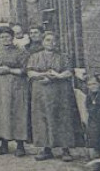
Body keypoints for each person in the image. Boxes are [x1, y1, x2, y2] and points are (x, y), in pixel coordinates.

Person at [27, 30, 81, 160]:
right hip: (41, 91)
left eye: (54, 40)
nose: (51, 43)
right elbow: (30, 72)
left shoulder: (63, 56)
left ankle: (65, 149)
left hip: (60, 91)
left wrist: (57, 76)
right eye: (48, 40)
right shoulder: (35, 56)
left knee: (62, 117)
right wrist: (43, 74)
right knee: (42, 118)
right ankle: (46, 148)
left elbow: (69, 72)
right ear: (43, 41)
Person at [0, 25, 30, 155]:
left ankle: (20, 145)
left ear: (12, 37)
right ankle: (4, 144)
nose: (5, 39)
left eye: (7, 37)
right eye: (2, 37)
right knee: (1, 113)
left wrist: (9, 70)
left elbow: (25, 69)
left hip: (16, 86)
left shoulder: (21, 51)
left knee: (17, 113)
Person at [81, 74, 100, 170]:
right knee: (94, 142)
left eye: (95, 83)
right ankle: (96, 165)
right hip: (93, 121)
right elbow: (87, 107)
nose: (92, 86)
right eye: (90, 84)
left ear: (99, 83)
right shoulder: (89, 96)